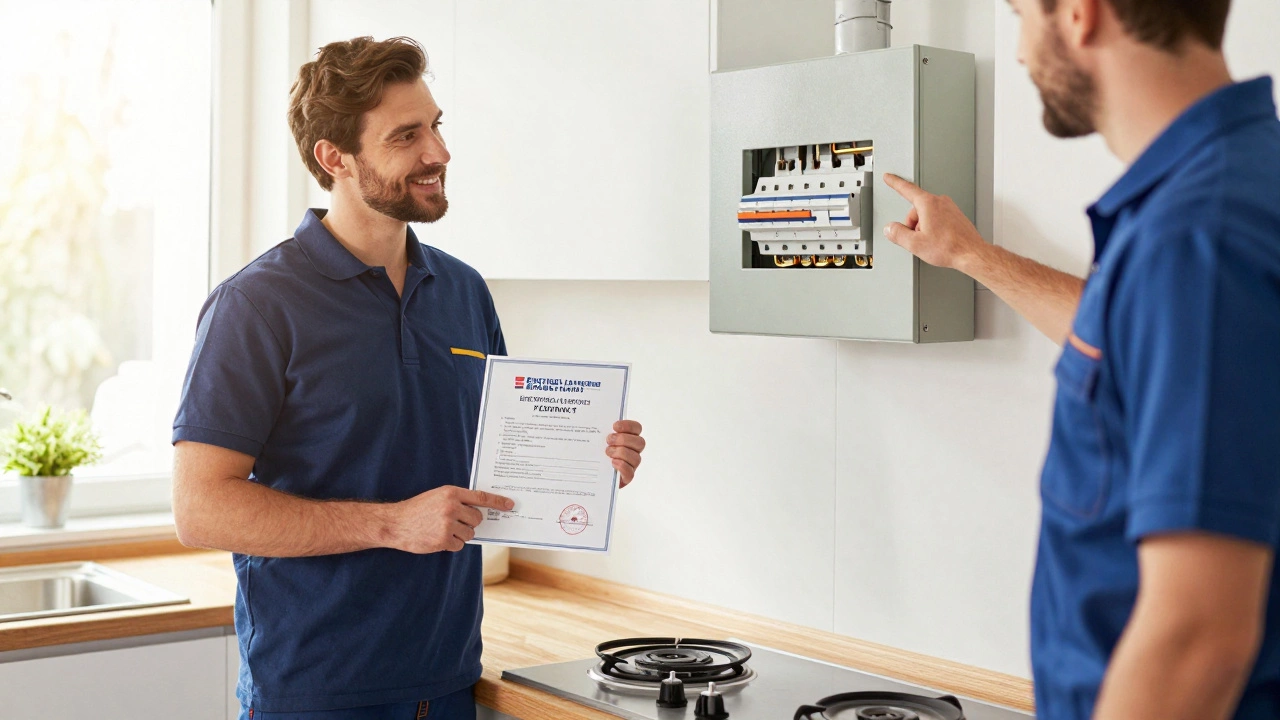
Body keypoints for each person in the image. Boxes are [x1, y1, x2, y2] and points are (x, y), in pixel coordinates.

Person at [171, 36, 647, 720]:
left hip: (449, 678)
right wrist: (394, 524)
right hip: (317, 690)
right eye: (407, 135)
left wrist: (590, 459)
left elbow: (497, 461)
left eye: (437, 125)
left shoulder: (462, 290)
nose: (439, 153)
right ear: (334, 158)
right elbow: (200, 508)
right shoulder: (256, 304)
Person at [881, 1, 1280, 718]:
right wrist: (970, 255)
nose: (1024, 53)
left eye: (1019, 15)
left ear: (1078, 14)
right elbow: (1134, 346)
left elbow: (1197, 638)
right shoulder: (1227, 191)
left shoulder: (1196, 237)